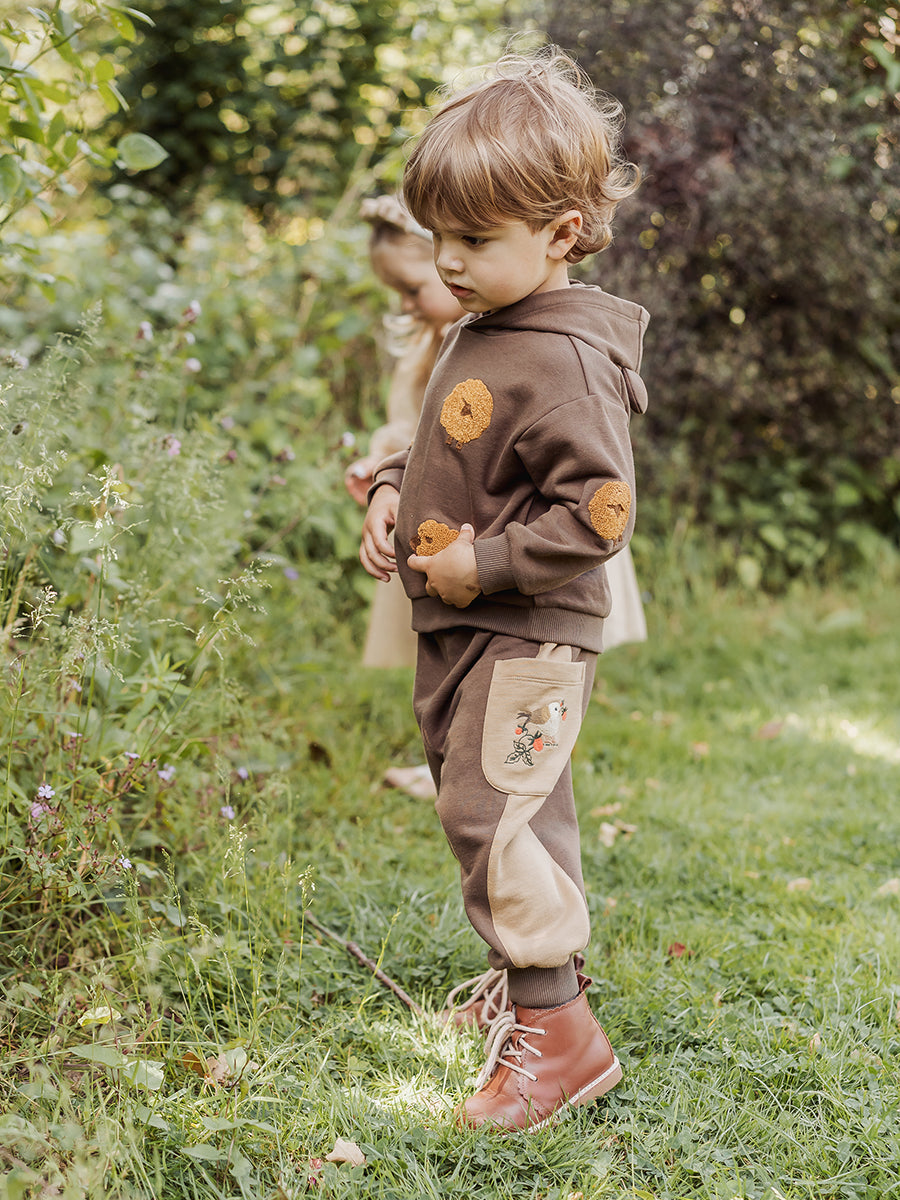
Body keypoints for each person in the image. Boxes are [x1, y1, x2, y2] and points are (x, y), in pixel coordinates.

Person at [360, 45, 649, 1131]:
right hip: (467, 625)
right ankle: (525, 985)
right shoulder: (490, 326)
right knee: (484, 799)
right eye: (439, 235)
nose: (448, 261)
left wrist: (479, 564)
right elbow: (457, 450)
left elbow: (599, 516)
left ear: (563, 232)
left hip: (526, 627)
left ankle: (558, 1035)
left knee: (496, 808)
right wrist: (393, 488)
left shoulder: (565, 360)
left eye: (475, 240)